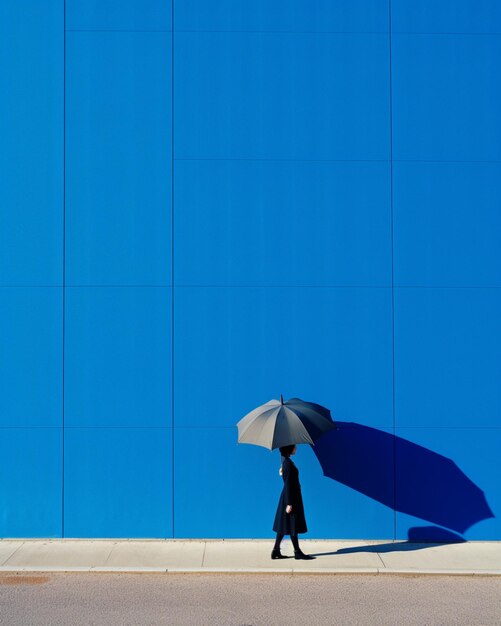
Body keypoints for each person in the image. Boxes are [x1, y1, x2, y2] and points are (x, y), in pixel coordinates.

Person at [271, 444, 315, 560]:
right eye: (294, 446)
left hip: (288, 496)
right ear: (288, 448)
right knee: (292, 524)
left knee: (283, 524)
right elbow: (289, 484)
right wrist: (289, 503)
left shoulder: (286, 461)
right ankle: (297, 551)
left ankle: (276, 550)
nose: (296, 448)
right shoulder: (287, 463)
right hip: (290, 497)